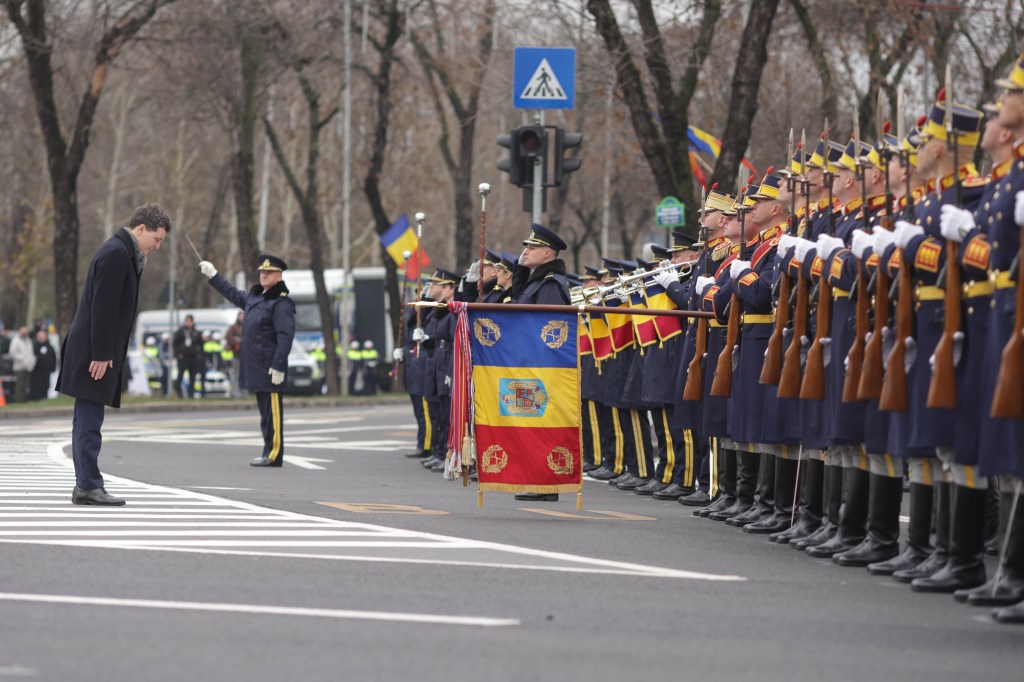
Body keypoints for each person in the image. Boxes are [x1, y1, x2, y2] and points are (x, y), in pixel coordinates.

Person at [56, 203, 171, 505]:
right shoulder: (118, 254)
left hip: (94, 349)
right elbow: (103, 308)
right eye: (156, 239)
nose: (157, 246)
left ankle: (86, 484)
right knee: (89, 421)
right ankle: (89, 486)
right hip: (94, 353)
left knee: (86, 419)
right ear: (141, 228)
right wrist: (101, 354)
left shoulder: (122, 251)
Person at [199, 253, 296, 467]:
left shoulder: (281, 303)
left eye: (269, 272)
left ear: (279, 276)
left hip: (270, 366)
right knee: (265, 414)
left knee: (273, 413)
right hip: (257, 366)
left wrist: (279, 365)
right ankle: (267, 451)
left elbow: (285, 337)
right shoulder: (256, 298)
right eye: (262, 272)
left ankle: (274, 454)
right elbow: (232, 293)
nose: (264, 275)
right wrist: (214, 275)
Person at [173, 314, 204, 398]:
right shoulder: (180, 332)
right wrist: (178, 354)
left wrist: (199, 354)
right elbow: (175, 344)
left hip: (193, 357)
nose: (189, 323)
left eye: (190, 321)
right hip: (183, 357)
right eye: (187, 321)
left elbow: (201, 345)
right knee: (180, 375)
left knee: (192, 376)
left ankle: (191, 394)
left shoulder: (196, 332)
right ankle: (178, 393)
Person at [9, 326, 35, 403]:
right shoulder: (16, 340)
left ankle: (24, 400)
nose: (24, 334)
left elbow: (30, 352)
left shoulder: (28, 340)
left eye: (26, 332)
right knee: (19, 385)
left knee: (26, 385)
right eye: (23, 332)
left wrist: (32, 360)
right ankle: (18, 400)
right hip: (19, 367)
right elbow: (13, 353)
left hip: (28, 366)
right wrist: (23, 359)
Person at [29, 329, 56, 401]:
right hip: (36, 371)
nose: (41, 338)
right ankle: (35, 398)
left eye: (43, 337)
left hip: (46, 371)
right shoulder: (34, 346)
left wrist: (53, 368)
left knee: (46, 385)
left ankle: (44, 397)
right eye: (40, 337)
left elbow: (53, 358)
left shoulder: (50, 347)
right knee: (36, 385)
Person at [225, 311, 244, 397]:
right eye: (241, 316)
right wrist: (236, 343)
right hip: (236, 354)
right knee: (236, 374)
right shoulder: (233, 327)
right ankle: (235, 391)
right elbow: (228, 336)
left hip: (245, 355)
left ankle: (244, 391)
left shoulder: (247, 326)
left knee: (244, 374)